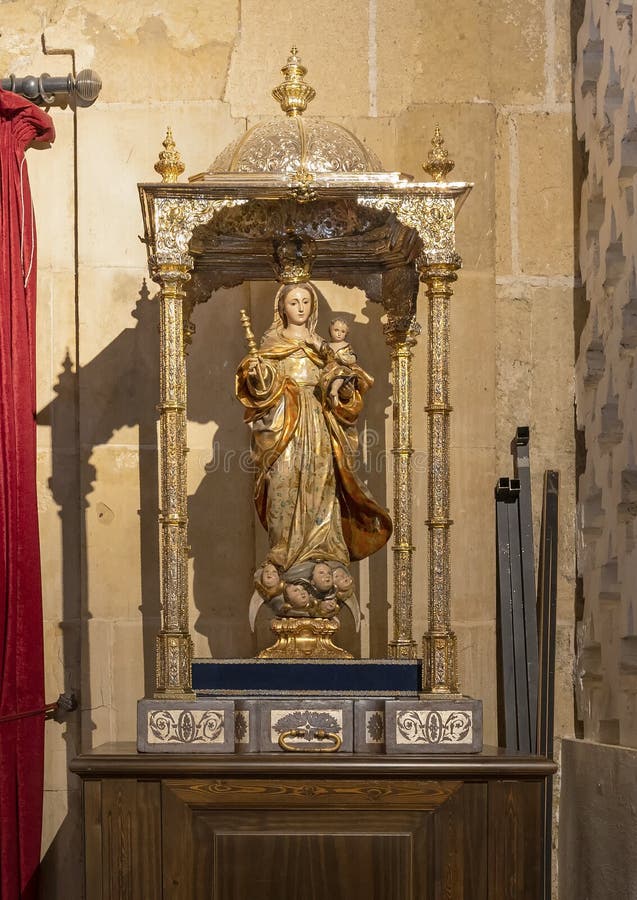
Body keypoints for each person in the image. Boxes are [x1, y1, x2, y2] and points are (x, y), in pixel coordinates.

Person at [236, 282, 392, 621]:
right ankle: (284, 553)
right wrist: (259, 374)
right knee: (282, 486)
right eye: (294, 302)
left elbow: (343, 379)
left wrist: (340, 379)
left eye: (306, 301)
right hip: (284, 427)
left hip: (319, 427)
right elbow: (261, 390)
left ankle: (322, 557)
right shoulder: (271, 344)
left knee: (322, 490)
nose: (301, 307)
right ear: (282, 308)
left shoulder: (323, 346)